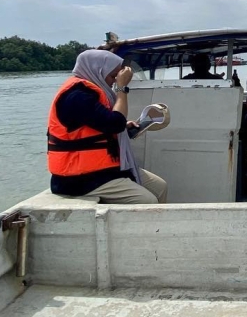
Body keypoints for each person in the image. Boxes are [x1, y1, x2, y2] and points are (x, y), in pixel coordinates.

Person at [48, 49, 168, 204]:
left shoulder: (89, 92)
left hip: (105, 171)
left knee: (160, 187)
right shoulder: (76, 96)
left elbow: (102, 122)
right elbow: (115, 123)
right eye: (112, 76)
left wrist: (124, 126)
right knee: (147, 201)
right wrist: (122, 89)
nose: (114, 81)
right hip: (79, 179)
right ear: (98, 71)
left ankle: (157, 221)